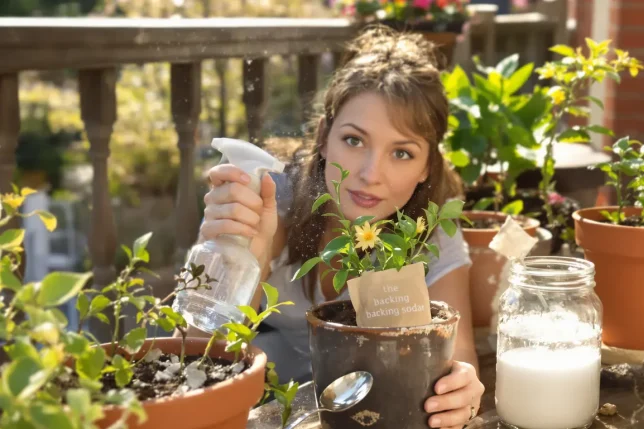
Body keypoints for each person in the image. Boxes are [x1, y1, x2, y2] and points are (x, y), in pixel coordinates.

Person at [195, 26, 484, 428]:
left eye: (401, 152)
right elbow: (201, 351)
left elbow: (459, 358)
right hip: (261, 399)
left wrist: (462, 393)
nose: (370, 174)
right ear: (325, 137)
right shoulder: (267, 195)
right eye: (354, 140)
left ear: (425, 168)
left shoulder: (430, 226)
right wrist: (247, 254)